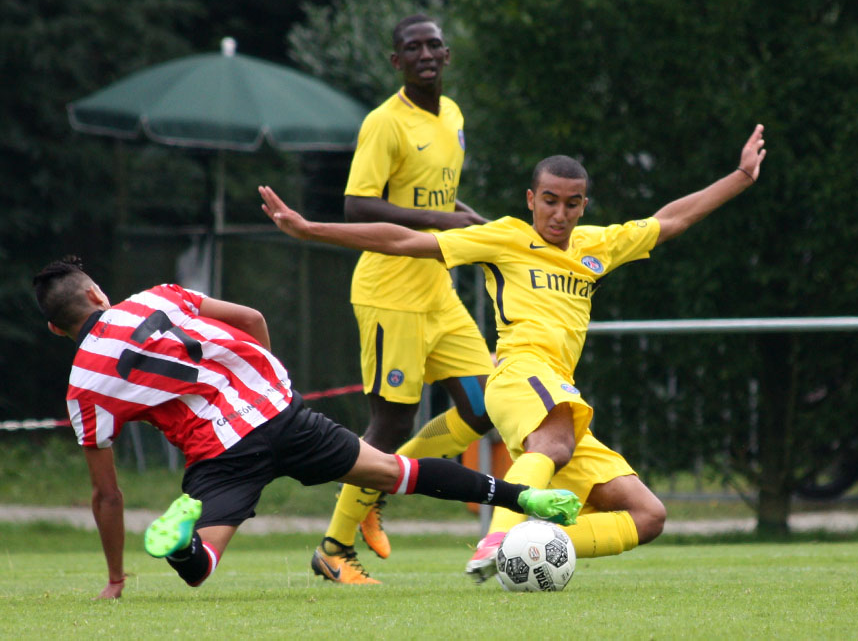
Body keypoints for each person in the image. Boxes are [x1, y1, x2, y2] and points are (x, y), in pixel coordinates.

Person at [259, 123, 768, 583]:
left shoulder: (597, 246)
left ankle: (534, 548)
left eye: (572, 203)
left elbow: (671, 220)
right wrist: (311, 229)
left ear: (585, 205)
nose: (559, 213)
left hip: (557, 395)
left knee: (647, 515)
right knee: (554, 440)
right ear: (530, 198)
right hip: (521, 376)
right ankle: (498, 538)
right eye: (549, 200)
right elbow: (406, 239)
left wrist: (742, 176)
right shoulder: (505, 237)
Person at [31, 256, 582, 599]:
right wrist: (269, 395)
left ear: (59, 330)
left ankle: (178, 545)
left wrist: (116, 579)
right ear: (97, 294)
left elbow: (106, 495)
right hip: (283, 414)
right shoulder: (158, 297)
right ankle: (523, 496)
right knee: (398, 471)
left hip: (220, 454)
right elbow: (252, 320)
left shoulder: (83, 387)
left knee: (199, 567)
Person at [316, 13, 498, 583]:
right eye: (412, 47)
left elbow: (448, 202)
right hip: (389, 294)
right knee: (389, 422)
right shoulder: (385, 123)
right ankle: (333, 549)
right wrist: (439, 220)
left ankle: (377, 490)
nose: (425, 53)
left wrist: (499, 237)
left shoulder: (452, 116)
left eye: (434, 44)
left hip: (437, 291)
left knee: (485, 405)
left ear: (447, 55)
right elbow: (356, 206)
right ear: (396, 62)